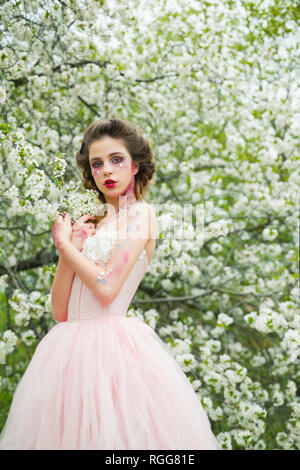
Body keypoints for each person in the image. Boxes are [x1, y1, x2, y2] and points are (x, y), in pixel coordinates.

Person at [0, 118, 220, 450]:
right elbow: (60, 311)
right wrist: (69, 248)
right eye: (97, 163)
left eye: (116, 160)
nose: (106, 170)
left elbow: (106, 288)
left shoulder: (142, 216)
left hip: (112, 354)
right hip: (65, 354)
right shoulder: (96, 221)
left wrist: (64, 246)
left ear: (135, 166)